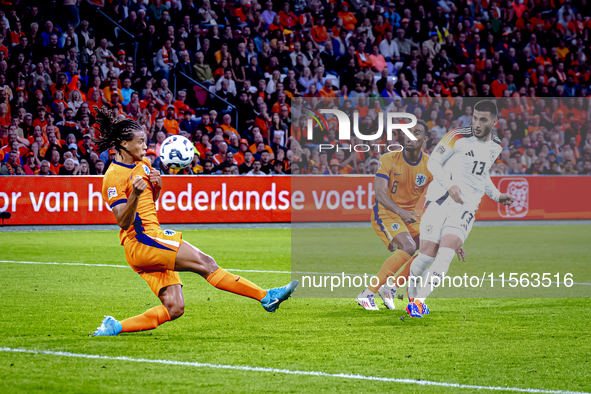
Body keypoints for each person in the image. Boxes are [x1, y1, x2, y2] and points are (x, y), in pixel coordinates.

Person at [92, 108, 298, 336]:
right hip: (142, 241)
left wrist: (157, 187)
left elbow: (149, 204)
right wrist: (135, 195)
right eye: (140, 141)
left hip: (150, 239)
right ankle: (266, 296)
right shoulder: (112, 177)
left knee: (175, 307)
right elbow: (123, 220)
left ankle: (114, 328)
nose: (145, 146)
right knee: (206, 263)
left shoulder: (144, 166)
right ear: (123, 143)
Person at [406, 101, 515, 317]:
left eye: (483, 120)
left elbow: (481, 175)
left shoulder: (496, 145)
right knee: (426, 257)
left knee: (445, 255)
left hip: (465, 208)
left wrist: (497, 195)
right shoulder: (456, 135)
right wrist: (450, 185)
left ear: (494, 122)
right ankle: (412, 297)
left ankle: (419, 302)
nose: (476, 123)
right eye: (475, 118)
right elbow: (433, 163)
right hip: (439, 200)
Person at [356, 120, 464, 310]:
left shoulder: (430, 165)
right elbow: (380, 194)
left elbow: (446, 199)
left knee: (432, 248)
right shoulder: (388, 159)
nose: (410, 136)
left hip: (409, 215)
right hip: (386, 212)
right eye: (408, 132)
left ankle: (391, 287)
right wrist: (401, 212)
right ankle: (367, 294)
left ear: (425, 138)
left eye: (417, 132)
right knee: (409, 246)